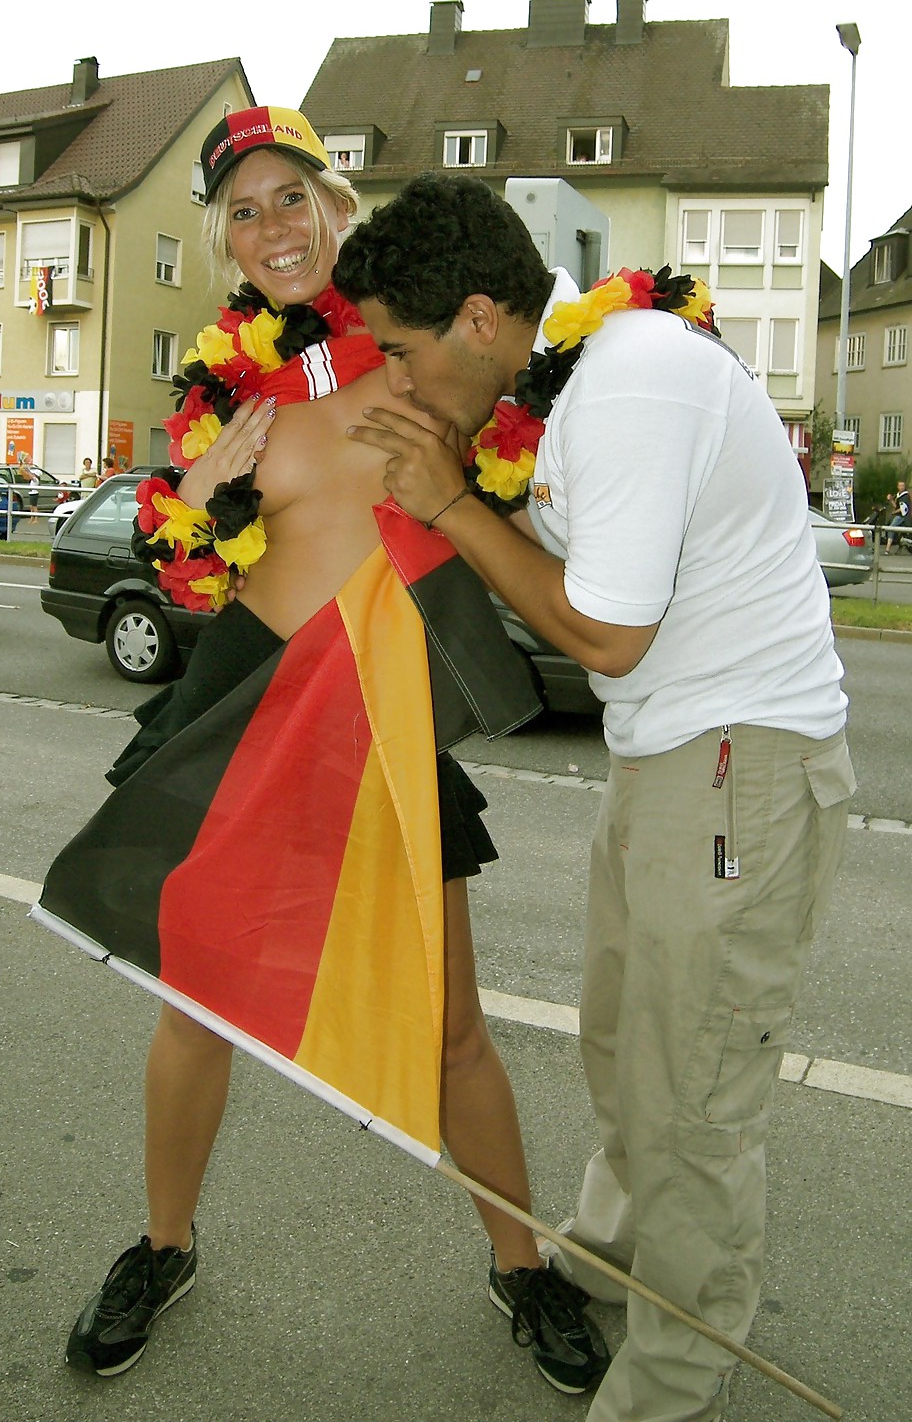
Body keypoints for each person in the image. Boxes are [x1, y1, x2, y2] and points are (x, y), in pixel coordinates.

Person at [60, 110, 606, 1394]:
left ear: (337, 205)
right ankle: (161, 1244)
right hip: (246, 695)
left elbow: (528, 405)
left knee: (453, 1028)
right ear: (227, 244)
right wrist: (197, 495)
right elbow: (184, 574)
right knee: (195, 1010)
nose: (272, 228)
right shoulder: (219, 388)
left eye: (290, 198)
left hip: (386, 702)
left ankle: (520, 1265)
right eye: (243, 213)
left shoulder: (420, 347)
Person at [335, 173, 856, 1422]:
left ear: (474, 317)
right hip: (680, 754)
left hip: (736, 762)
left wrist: (454, 503)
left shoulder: (626, 382)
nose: (396, 382)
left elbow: (605, 636)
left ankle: (670, 1380)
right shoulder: (571, 372)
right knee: (629, 1048)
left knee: (695, 1095)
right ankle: (618, 1259)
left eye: (400, 353)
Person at [884, 479, 910, 553]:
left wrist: (894, 512)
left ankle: (887, 549)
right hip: (901, 515)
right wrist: (891, 500)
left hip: (903, 516)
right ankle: (900, 546)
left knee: (891, 528)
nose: (902, 487)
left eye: (903, 486)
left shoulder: (905, 496)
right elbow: (897, 506)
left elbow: (903, 509)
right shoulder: (899, 495)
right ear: (898, 486)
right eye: (900, 485)